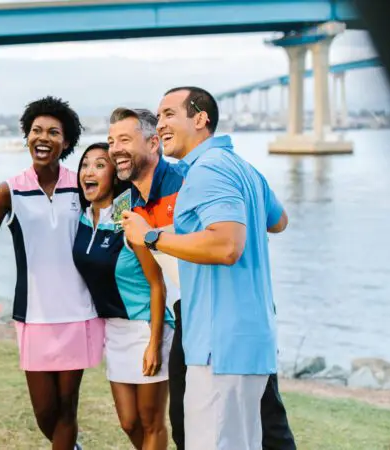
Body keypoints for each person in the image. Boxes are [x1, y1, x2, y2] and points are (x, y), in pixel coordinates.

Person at [120, 86, 290, 450]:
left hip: (218, 346)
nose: (159, 123)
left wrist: (151, 237)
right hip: (251, 341)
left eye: (169, 114)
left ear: (200, 119)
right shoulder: (243, 168)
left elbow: (227, 245)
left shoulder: (206, 171)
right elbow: (278, 221)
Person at [0, 96, 101, 450]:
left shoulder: (81, 185)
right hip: (33, 314)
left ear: (66, 142)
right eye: (36, 131)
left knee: (67, 408)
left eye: (53, 132)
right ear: (27, 136)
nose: (42, 137)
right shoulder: (9, 190)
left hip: (78, 312)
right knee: (44, 411)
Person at [77, 107, 182, 449]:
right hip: (116, 330)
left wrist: (154, 342)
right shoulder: (101, 212)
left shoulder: (129, 211)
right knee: (128, 421)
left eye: (123, 140)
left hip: (146, 326)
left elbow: (157, 282)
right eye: (111, 142)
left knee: (152, 422)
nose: (113, 148)